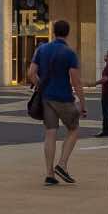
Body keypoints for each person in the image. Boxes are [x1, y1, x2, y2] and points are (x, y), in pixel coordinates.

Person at [28, 18, 87, 186]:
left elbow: (31, 73)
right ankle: (62, 164)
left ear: (53, 32)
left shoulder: (42, 49)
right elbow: (76, 81)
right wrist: (82, 104)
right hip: (64, 97)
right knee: (74, 129)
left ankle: (49, 173)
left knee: (50, 134)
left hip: (46, 98)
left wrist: (41, 84)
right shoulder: (69, 53)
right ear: (67, 33)